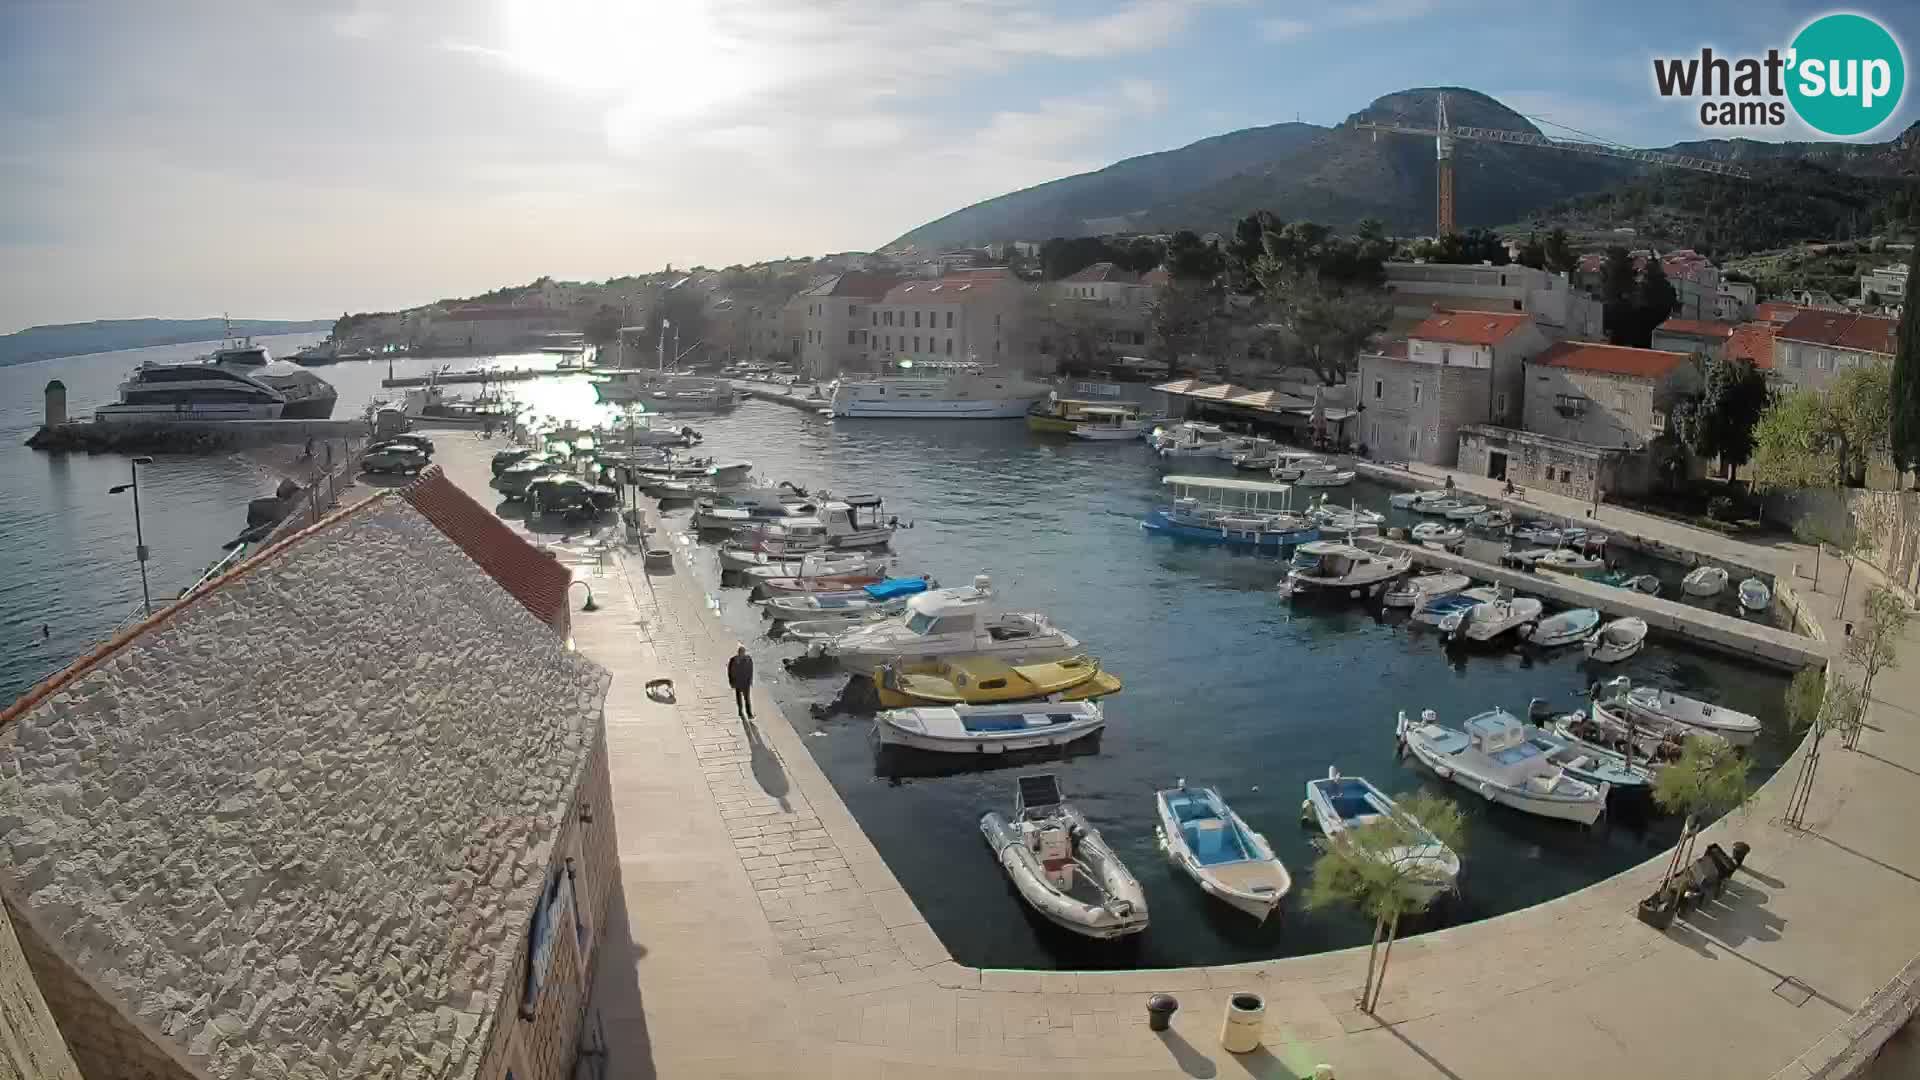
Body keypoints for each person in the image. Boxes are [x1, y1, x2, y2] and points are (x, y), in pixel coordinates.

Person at [727, 645, 755, 720]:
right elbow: (730, 671)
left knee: (747, 698)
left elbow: (751, 670)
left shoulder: (748, 659)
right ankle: (740, 710)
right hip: (738, 681)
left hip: (746, 682)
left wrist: (751, 680)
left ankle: (749, 714)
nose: (742, 654)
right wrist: (731, 681)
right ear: (738, 652)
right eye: (740, 652)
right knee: (739, 697)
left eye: (743, 652)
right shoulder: (733, 660)